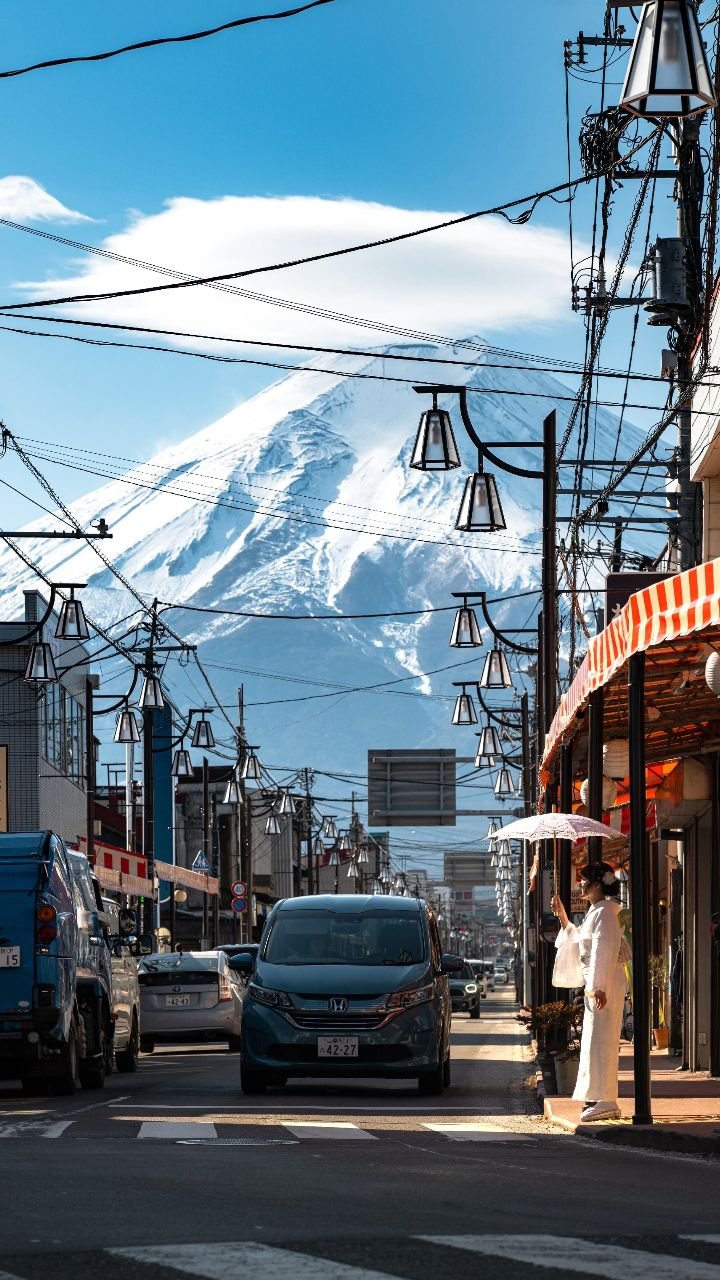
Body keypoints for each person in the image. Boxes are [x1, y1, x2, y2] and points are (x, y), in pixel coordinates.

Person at [551, 862, 626, 1122]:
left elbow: (603, 951)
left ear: (596, 884)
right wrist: (562, 916)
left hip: (604, 983)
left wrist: (598, 987)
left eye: (583, 879)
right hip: (600, 983)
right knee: (595, 1041)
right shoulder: (598, 911)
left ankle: (606, 1100)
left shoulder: (605, 912)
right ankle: (599, 1097)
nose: (580, 884)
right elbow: (579, 941)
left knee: (602, 1041)